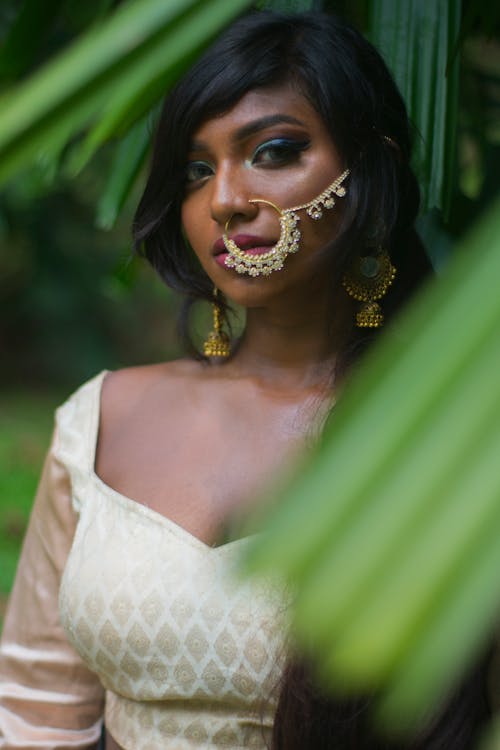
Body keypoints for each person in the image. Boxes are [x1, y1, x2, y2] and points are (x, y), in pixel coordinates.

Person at [0, 10, 494, 750]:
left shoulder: (449, 439)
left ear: (371, 168)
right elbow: (33, 708)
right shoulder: (102, 418)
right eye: (197, 171)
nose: (226, 200)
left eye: (273, 151)